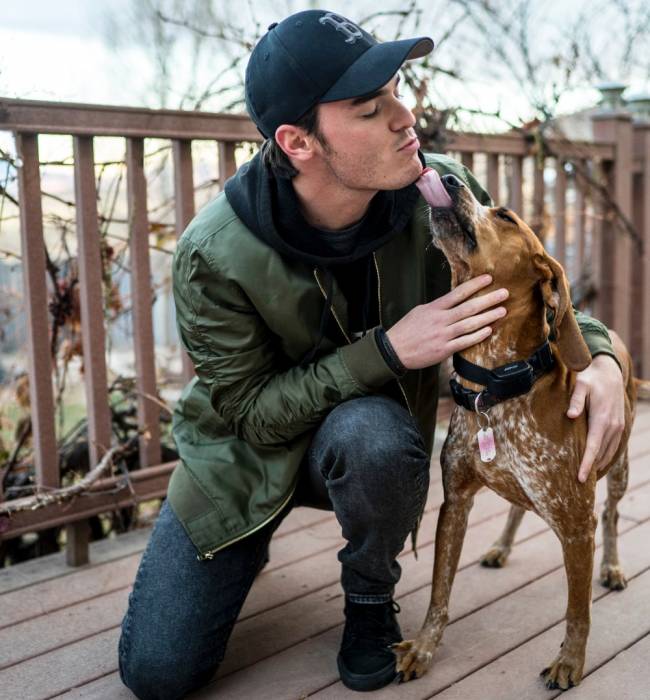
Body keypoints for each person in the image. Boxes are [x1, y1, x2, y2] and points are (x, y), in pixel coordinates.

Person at [117, 9, 626, 698]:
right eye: (369, 107)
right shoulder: (214, 254)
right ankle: (247, 545)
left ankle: (367, 599)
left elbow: (527, 281)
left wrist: (603, 362)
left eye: (396, 89)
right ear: (298, 141)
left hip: (368, 452)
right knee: (156, 674)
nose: (403, 113)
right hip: (244, 466)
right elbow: (253, 419)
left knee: (372, 435)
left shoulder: (434, 194)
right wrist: (388, 351)